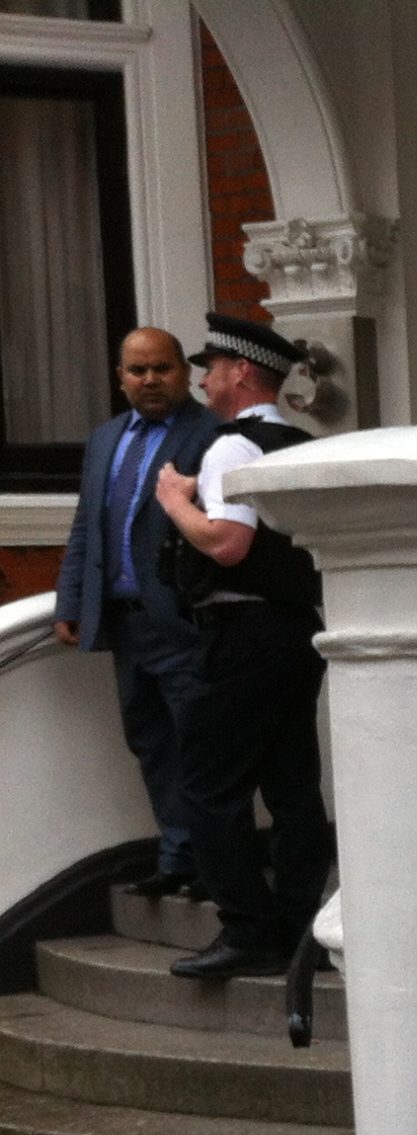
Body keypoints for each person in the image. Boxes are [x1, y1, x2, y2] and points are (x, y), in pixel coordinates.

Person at [151, 313, 329, 981]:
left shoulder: (231, 447)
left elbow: (227, 543)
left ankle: (248, 929)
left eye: (213, 368)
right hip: (295, 631)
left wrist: (175, 500)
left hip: (240, 634)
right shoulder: (300, 444)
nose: (203, 380)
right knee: (292, 787)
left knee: (206, 787)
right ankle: (298, 925)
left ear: (242, 373)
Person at [51, 328, 222, 898]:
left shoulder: (212, 434)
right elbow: (86, 525)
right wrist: (71, 601)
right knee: (150, 742)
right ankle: (177, 858)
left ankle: (216, 867)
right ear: (120, 378)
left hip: (186, 621)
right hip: (125, 623)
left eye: (162, 369)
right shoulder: (105, 439)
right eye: (137, 370)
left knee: (201, 745)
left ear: (184, 373)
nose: (150, 380)